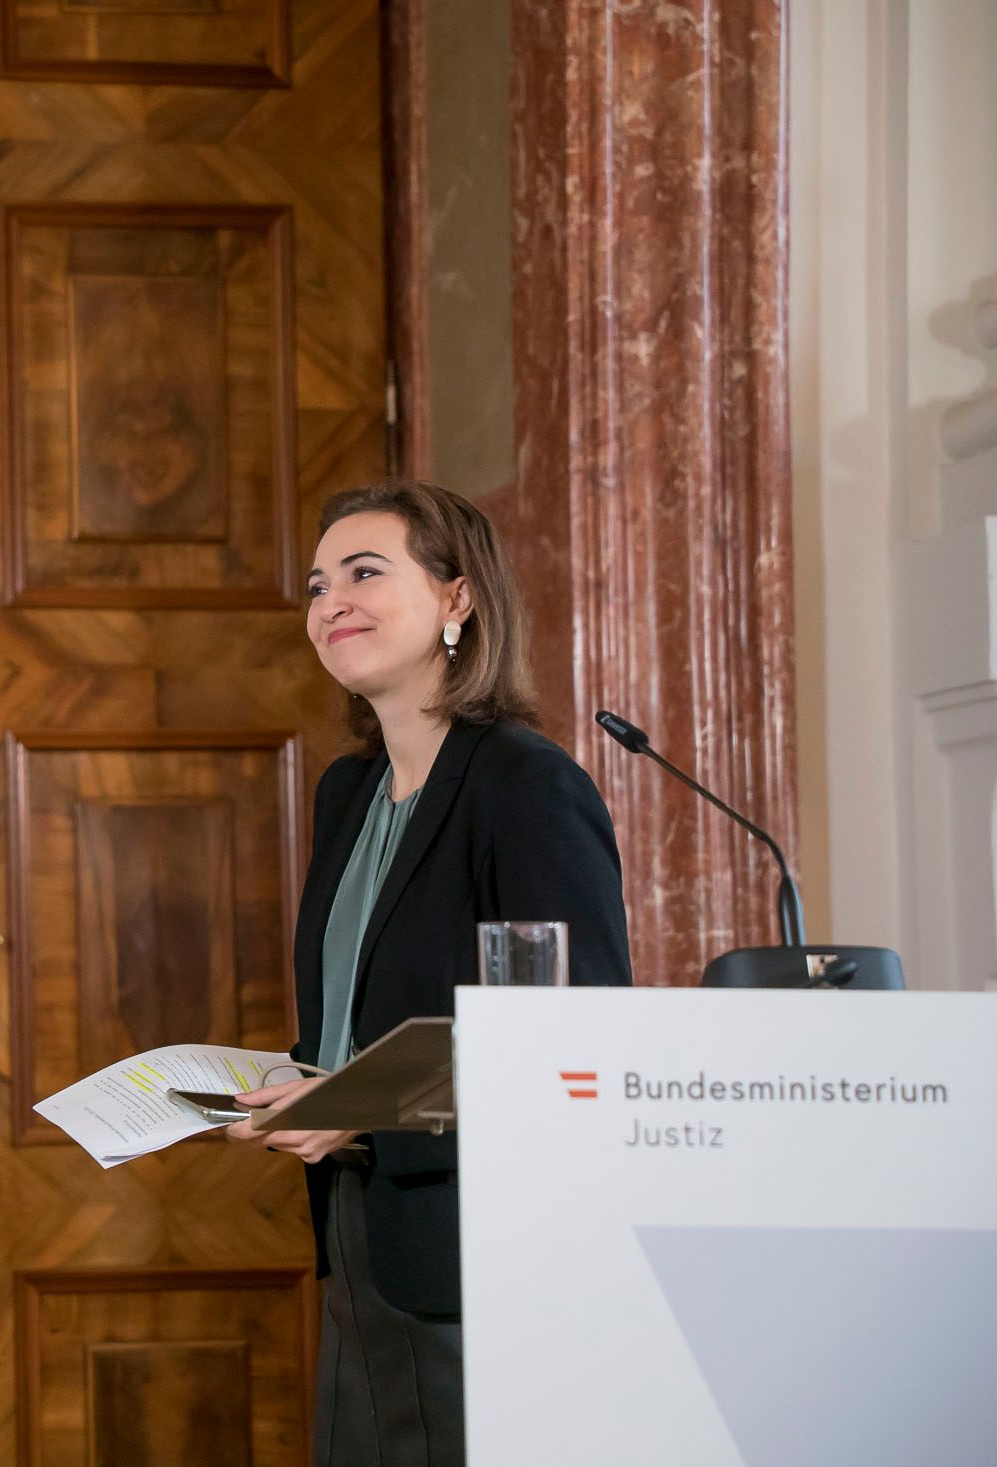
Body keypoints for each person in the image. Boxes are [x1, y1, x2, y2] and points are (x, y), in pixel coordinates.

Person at [225, 480, 633, 1466]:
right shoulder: (348, 790)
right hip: (360, 1228)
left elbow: (577, 1042)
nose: (331, 603)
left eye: (365, 573)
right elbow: (360, 1022)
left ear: (457, 599)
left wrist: (360, 1105)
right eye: (318, 585)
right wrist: (298, 1082)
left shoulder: (525, 786)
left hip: (475, 1245)